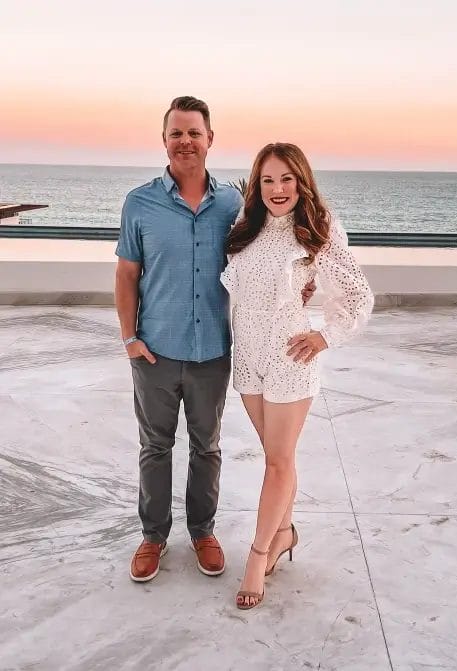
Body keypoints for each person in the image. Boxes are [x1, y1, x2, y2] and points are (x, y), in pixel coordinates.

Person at [115, 98, 315, 583]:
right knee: (155, 447)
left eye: (194, 133)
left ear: (210, 139)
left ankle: (203, 532)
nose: (185, 141)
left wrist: (305, 286)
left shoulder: (234, 205)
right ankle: (153, 537)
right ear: (165, 140)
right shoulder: (139, 203)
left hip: (212, 353)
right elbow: (126, 274)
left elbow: (275, 245)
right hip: (155, 351)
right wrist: (130, 338)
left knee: (207, 446)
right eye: (176, 133)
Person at [221, 142, 374, 609]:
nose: (277, 189)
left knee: (277, 463)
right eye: (267, 179)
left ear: (301, 182)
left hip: (290, 359)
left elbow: (358, 296)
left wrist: (324, 336)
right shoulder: (245, 226)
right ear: (256, 185)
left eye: (286, 178)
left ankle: (258, 555)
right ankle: (284, 532)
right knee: (277, 457)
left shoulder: (318, 229)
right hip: (247, 358)